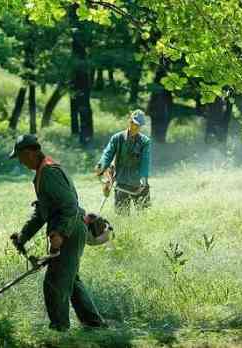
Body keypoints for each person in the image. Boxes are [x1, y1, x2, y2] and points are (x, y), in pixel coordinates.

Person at [9, 134, 105, 331]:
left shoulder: (49, 172)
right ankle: (94, 325)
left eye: (19, 157)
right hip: (70, 227)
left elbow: (69, 205)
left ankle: (59, 331)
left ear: (29, 153)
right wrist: (23, 236)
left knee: (54, 283)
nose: (19, 161)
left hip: (70, 228)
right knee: (70, 280)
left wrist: (60, 233)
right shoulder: (43, 172)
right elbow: (41, 212)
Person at [95, 109, 151, 215]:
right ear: (129, 121)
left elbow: (145, 161)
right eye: (133, 123)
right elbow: (108, 154)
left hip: (139, 182)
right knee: (122, 214)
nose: (135, 127)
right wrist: (101, 166)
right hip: (121, 181)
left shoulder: (145, 141)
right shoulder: (117, 138)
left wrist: (144, 178)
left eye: (138, 125)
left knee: (145, 214)